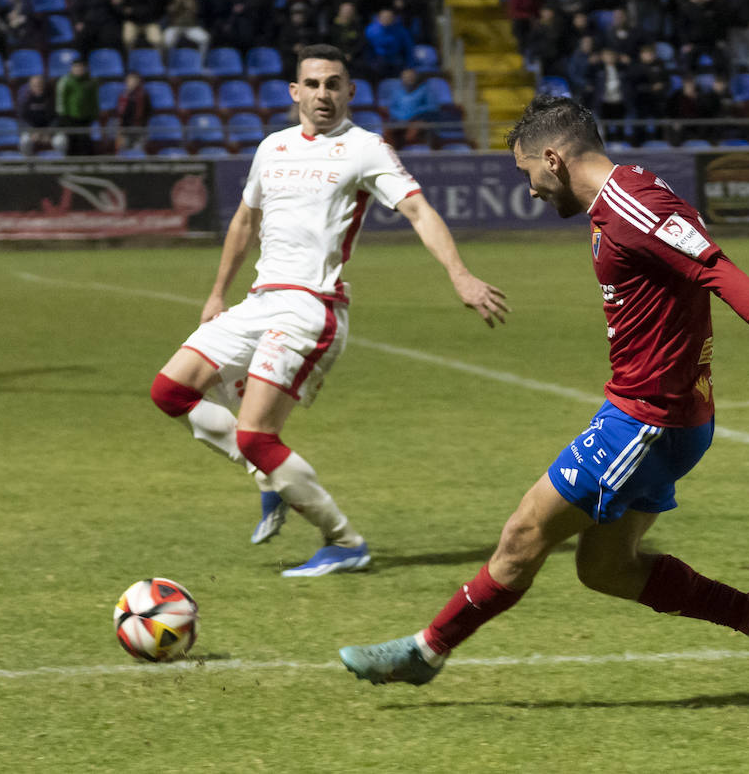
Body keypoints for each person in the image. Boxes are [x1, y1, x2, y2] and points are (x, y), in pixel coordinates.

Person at [339, 95, 749, 708]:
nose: (531, 191)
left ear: (553, 157)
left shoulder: (634, 203)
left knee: (522, 534)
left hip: (647, 421)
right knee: (605, 568)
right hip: (656, 417)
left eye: (528, 175)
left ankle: (426, 651)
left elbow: (715, 267)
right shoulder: (615, 202)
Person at [148, 44, 509, 576]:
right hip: (259, 300)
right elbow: (245, 223)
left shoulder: (365, 149)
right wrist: (216, 294)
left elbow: (417, 210)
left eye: (333, 84)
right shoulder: (272, 148)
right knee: (170, 391)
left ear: (350, 92)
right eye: (313, 84)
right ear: (295, 92)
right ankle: (268, 477)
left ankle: (344, 542)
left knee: (255, 436)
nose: (323, 94)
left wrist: (459, 273)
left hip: (311, 307)